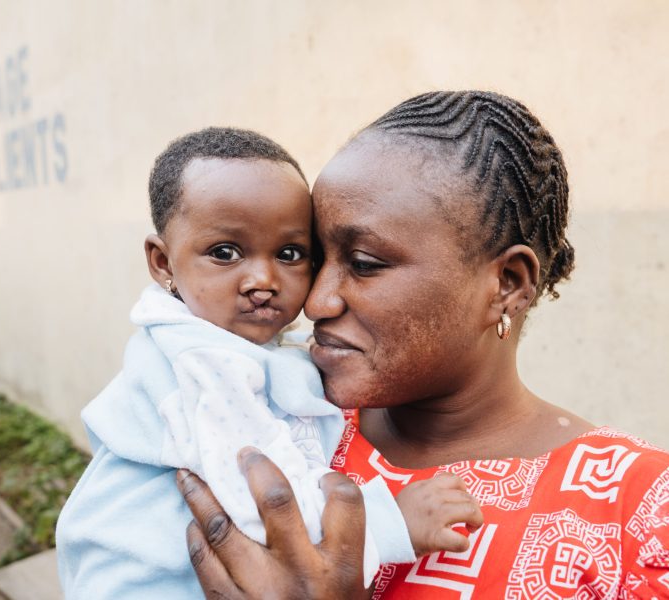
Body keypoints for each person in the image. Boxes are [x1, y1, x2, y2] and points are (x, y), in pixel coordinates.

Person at [177, 92, 669, 599]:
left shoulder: (639, 511)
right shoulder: (269, 412)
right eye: (313, 257)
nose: (316, 302)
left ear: (507, 284)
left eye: (364, 263)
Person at [55, 127, 483, 599]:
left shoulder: (228, 341)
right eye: (224, 253)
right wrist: (390, 523)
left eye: (289, 254)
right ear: (162, 264)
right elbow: (253, 504)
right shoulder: (202, 363)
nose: (262, 279)